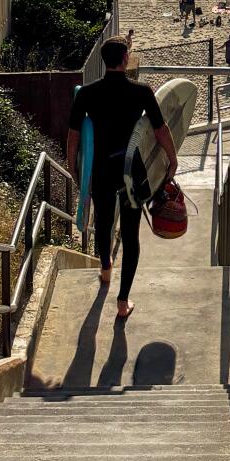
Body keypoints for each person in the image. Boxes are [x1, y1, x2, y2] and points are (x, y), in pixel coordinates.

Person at [66, 35, 179, 321]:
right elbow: (160, 130)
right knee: (130, 234)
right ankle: (122, 300)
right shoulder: (141, 92)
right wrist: (172, 158)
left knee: (104, 221)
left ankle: (105, 269)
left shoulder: (87, 94)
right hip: (131, 169)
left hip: (102, 168)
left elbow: (74, 137)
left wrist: (74, 168)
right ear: (125, 59)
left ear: (105, 61)